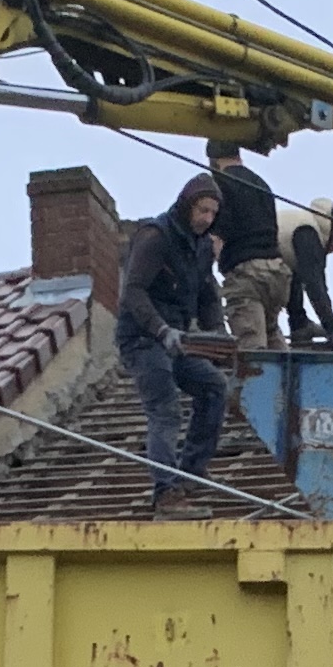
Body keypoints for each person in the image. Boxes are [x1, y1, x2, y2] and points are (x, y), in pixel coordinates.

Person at [117, 173, 232, 503]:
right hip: (143, 338)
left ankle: (192, 471)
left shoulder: (201, 246)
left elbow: (207, 294)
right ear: (187, 206)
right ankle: (166, 490)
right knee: (165, 409)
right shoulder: (156, 236)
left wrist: (218, 335)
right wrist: (160, 329)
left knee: (214, 386)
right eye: (202, 210)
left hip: (178, 338)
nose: (207, 219)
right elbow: (133, 291)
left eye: (212, 213)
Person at [206, 140, 290, 349]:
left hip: (247, 274)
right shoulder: (261, 184)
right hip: (277, 273)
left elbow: (217, 237)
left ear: (212, 161)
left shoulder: (221, 183)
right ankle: (290, 369)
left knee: (252, 348)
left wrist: (202, 272)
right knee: (272, 335)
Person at [279, 197, 333, 347]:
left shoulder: (305, 225)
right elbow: (315, 286)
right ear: (330, 229)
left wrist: (299, 323)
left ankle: (300, 324)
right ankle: (300, 325)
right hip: (253, 274)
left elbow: (296, 279)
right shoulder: (309, 233)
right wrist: (332, 328)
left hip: (262, 271)